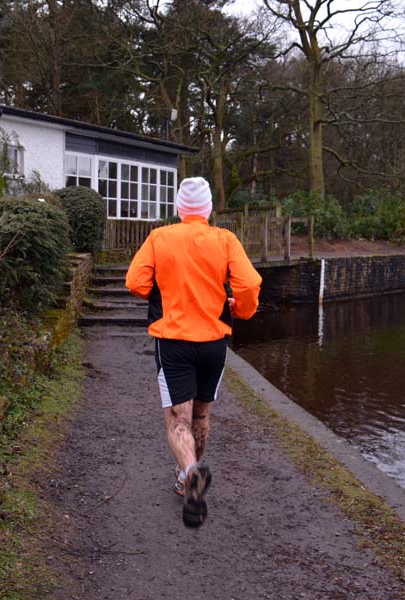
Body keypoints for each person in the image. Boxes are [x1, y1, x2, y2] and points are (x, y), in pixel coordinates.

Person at [125, 176, 262, 528]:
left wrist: (161, 294)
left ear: (178, 208)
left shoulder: (160, 237)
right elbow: (248, 283)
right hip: (214, 343)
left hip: (174, 342)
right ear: (210, 209)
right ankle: (189, 474)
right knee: (201, 418)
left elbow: (135, 282)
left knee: (177, 420)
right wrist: (241, 309)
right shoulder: (225, 239)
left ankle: (189, 471)